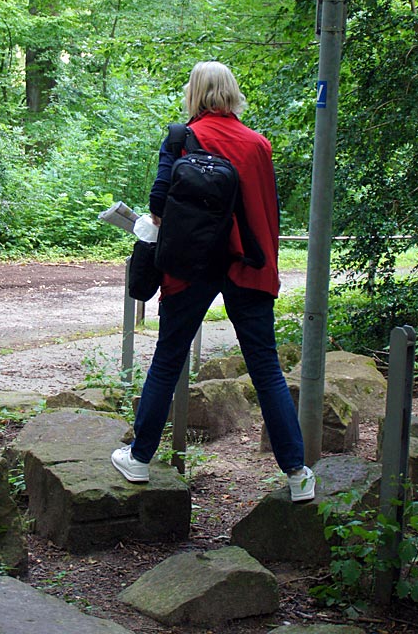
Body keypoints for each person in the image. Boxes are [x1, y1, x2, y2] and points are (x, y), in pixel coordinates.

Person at [111, 61, 315, 502]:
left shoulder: (182, 138)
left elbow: (160, 206)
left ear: (196, 93)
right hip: (247, 264)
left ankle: (140, 460)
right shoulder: (259, 145)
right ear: (232, 93)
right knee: (266, 370)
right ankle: (298, 476)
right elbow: (268, 215)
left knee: (168, 359)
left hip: (192, 267)